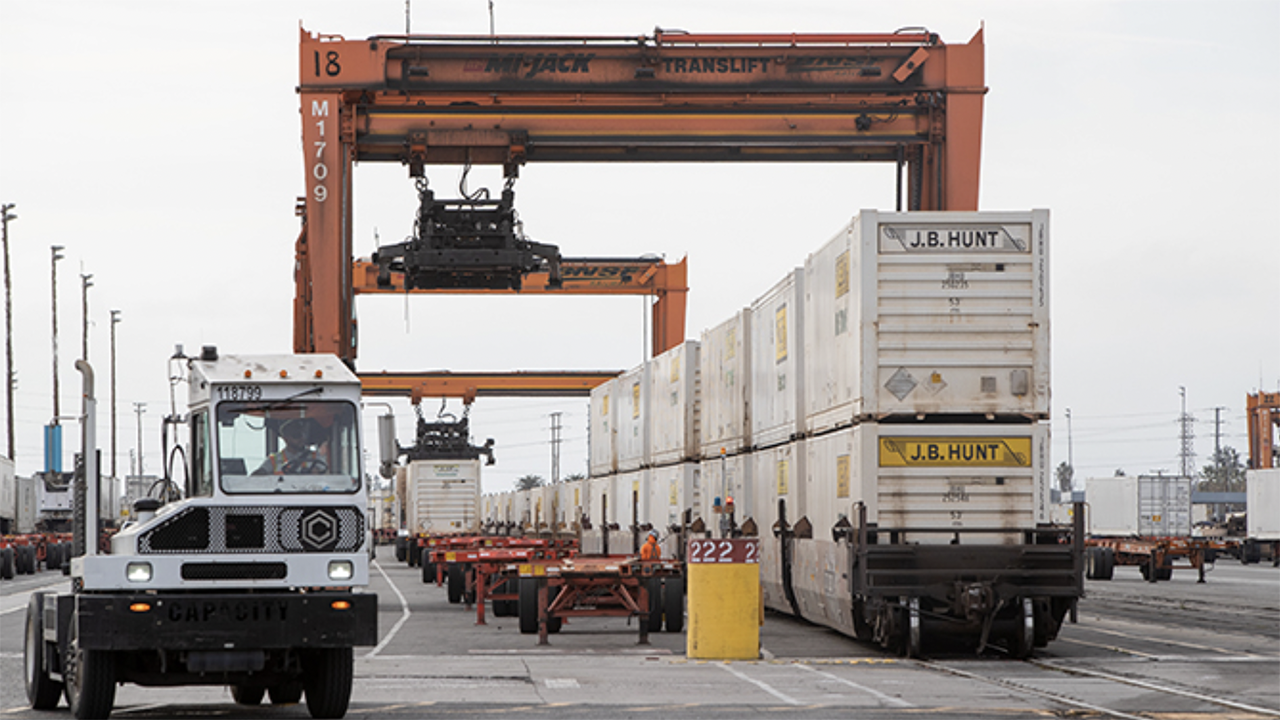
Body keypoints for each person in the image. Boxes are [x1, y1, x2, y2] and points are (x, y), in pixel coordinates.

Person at [254, 418, 327, 475]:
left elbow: (328, 476)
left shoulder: (315, 457)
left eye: (302, 435)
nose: (301, 438)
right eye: (296, 435)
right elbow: (255, 477)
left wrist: (317, 473)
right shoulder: (273, 460)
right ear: (286, 438)